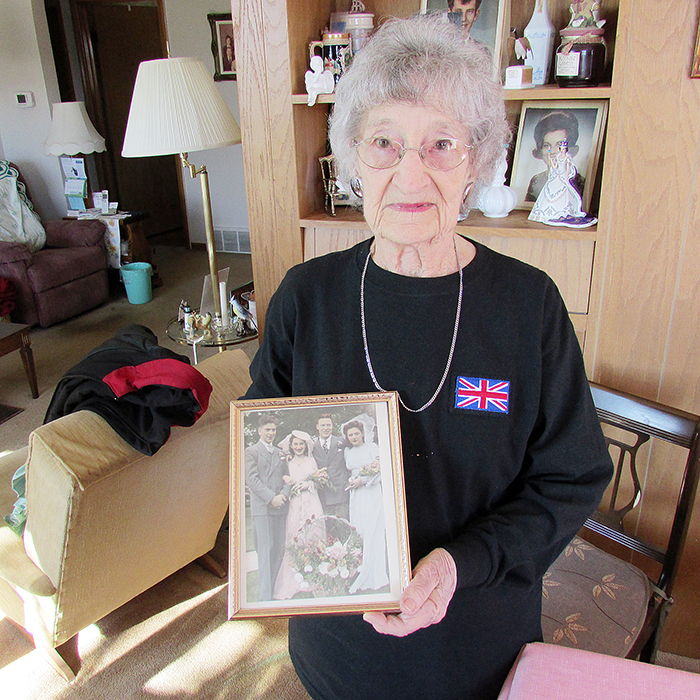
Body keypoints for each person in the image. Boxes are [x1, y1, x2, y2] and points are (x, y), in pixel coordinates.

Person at [244, 15, 612, 700]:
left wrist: (457, 563)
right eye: (384, 143)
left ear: (476, 160)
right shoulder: (306, 299)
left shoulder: (528, 306)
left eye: (441, 144)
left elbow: (571, 478)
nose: (410, 171)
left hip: (477, 639)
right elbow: (261, 456)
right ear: (354, 157)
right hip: (337, 640)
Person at [274, 430, 326, 600]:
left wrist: (308, 484)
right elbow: (283, 482)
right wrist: (290, 484)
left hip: (311, 501)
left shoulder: (311, 461)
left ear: (306, 446)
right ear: (291, 446)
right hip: (296, 503)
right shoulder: (288, 463)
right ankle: (294, 580)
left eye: (301, 444)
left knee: (314, 534)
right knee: (296, 535)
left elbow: (318, 481)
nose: (298, 447)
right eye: (295, 444)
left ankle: (316, 578)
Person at [245, 414, 289, 601]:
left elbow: (288, 477)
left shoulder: (280, 451)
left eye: (273, 430)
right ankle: (265, 597)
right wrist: (272, 497)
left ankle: (274, 590)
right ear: (259, 431)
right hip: (263, 508)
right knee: (265, 549)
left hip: (280, 506)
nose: (271, 433)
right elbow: (252, 480)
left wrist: (283, 495)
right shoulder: (251, 451)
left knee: (278, 548)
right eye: (267, 430)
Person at [342, 418, 389, 595]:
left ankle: (375, 575)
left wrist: (363, 480)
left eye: (356, 433)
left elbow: (381, 469)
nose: (353, 437)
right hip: (356, 495)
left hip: (371, 492)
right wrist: (353, 481)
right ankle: (359, 569)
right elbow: (351, 471)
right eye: (350, 435)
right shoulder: (348, 451)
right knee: (359, 529)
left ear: (362, 433)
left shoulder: (372, 448)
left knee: (373, 530)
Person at [528, 140, 597, 227]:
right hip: (557, 174)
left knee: (564, 191)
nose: (562, 150)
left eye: (564, 149)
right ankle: (548, 212)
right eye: (561, 148)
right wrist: (550, 159)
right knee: (551, 189)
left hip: (563, 175)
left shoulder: (567, 157)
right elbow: (555, 166)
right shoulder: (557, 157)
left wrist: (567, 176)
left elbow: (568, 167)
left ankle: (563, 210)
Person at [525, 111, 585, 202]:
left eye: (559, 145)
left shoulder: (579, 182)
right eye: (547, 145)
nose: (552, 151)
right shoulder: (536, 181)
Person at [311, 414, 350, 519]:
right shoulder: (312, 445)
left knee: (343, 524)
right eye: (322, 425)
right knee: (327, 527)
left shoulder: (342, 441)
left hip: (340, 490)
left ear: (332, 426)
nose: (325, 428)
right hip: (323, 492)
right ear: (317, 427)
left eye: (328, 425)